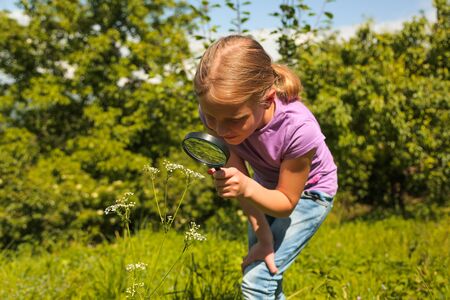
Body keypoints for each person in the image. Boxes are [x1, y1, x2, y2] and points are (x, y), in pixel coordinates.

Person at [193, 35, 338, 299]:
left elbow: (285, 202)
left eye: (235, 120)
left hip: (309, 194)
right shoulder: (218, 115)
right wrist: (263, 238)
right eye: (211, 118)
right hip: (263, 186)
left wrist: (247, 186)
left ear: (268, 99)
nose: (221, 131)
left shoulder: (298, 129)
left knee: (257, 280)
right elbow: (241, 182)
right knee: (264, 266)